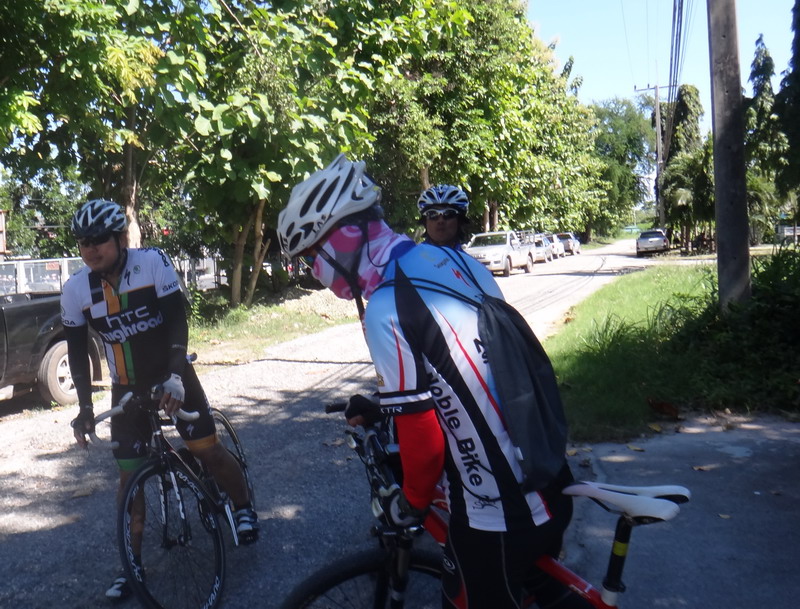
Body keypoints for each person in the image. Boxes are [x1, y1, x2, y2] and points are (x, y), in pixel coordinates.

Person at [277, 155, 582, 609]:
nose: (312, 273)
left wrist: (408, 506)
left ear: (344, 238)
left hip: (497, 513)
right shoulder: (455, 262)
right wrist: (386, 404)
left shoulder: (386, 306)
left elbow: (424, 443)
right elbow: (470, 370)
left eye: (310, 257)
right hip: (548, 475)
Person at [62, 199, 259, 601]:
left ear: (121, 238)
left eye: (99, 240)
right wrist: (84, 409)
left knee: (207, 450)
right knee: (129, 481)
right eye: (83, 242)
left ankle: (243, 507)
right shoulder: (76, 289)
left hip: (172, 374)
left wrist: (175, 377)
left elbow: (176, 321)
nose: (90, 249)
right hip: (127, 387)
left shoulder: (152, 263)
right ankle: (131, 565)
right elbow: (78, 356)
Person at [417, 184, 470, 249]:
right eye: (432, 214)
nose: (440, 220)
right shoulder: (412, 254)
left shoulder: (465, 256)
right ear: (425, 221)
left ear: (459, 221)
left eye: (448, 214)